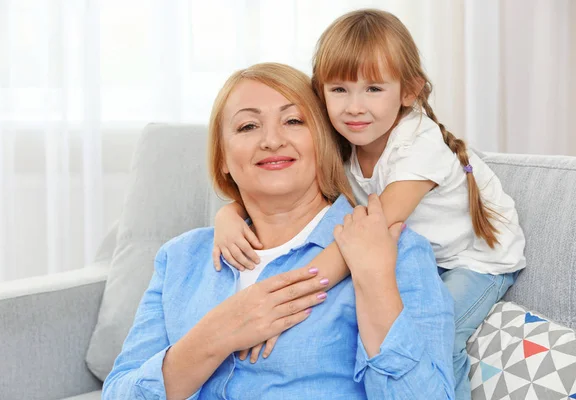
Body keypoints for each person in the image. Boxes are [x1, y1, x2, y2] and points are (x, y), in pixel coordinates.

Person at [212, 9, 526, 400]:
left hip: (473, 261)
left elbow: (368, 234)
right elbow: (278, 187)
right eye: (339, 89)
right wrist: (228, 214)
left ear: (409, 91)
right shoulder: (345, 140)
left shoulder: (419, 148)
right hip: (417, 255)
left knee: (436, 342)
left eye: (374, 89)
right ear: (320, 92)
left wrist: (283, 302)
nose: (354, 107)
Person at [103, 62, 455, 399]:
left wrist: (375, 283)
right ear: (222, 158)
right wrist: (214, 335)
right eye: (247, 127)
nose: (271, 140)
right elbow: (119, 392)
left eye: (293, 120)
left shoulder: (398, 251)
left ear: (325, 142)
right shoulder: (180, 258)